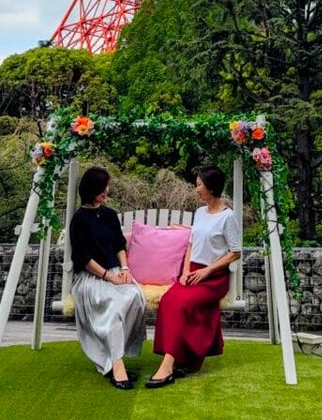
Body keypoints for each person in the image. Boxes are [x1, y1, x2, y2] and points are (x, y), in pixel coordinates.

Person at [146, 164, 242, 389]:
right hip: (192, 272)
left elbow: (235, 252)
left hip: (213, 277)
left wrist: (206, 271)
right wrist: (186, 271)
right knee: (169, 300)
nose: (196, 189)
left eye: (199, 185)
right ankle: (185, 359)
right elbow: (191, 243)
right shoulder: (200, 212)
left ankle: (168, 364)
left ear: (210, 187)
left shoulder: (228, 217)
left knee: (182, 304)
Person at [70, 166, 147, 390]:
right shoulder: (79, 219)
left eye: (107, 186)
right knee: (113, 306)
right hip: (92, 277)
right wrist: (107, 277)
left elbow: (119, 245)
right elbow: (82, 257)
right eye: (102, 187)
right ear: (91, 189)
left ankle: (113, 359)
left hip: (115, 271)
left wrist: (124, 269)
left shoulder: (110, 214)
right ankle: (117, 365)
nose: (106, 191)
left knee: (134, 297)